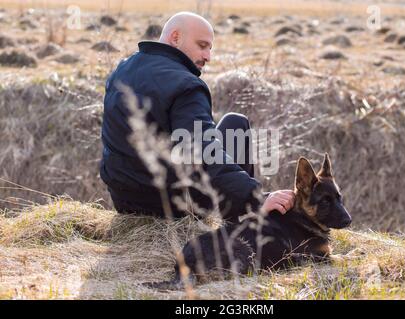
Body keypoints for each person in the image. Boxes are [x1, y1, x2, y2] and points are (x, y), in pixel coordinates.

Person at [100, 12, 294, 223]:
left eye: (210, 48)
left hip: (124, 199)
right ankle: (242, 226)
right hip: (168, 204)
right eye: (202, 45)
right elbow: (205, 154)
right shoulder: (186, 85)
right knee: (237, 126)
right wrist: (256, 197)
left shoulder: (123, 69)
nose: (208, 56)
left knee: (232, 124)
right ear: (175, 38)